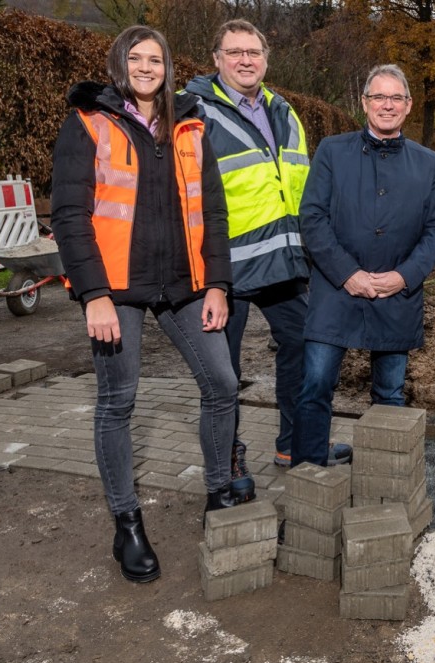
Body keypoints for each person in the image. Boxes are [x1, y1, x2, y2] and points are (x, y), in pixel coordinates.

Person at [50, 26, 237, 583]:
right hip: (116, 289)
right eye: (136, 58)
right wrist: (94, 295)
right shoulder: (88, 122)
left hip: (184, 284)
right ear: (119, 63)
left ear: (169, 66)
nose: (147, 67)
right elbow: (69, 216)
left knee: (223, 385)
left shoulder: (190, 124)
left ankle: (219, 498)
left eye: (156, 58)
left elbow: (216, 214)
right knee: (119, 401)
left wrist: (219, 286)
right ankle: (126, 523)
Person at [293, 64, 435, 467]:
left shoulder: (428, 163)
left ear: (409, 106)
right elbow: (312, 217)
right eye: (378, 96)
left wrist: (404, 277)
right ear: (364, 103)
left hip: (397, 296)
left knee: (390, 393)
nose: (387, 105)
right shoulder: (331, 150)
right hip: (335, 290)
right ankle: (309, 476)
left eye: (395, 97)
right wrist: (348, 274)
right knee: (314, 386)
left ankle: (384, 480)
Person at [185, 20, 310, 482]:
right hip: (225, 268)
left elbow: (300, 186)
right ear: (216, 59)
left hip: (283, 262)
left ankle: (293, 444)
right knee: (225, 373)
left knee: (305, 346)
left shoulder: (284, 111)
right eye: (234, 52)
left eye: (253, 52)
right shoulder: (194, 112)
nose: (245, 60)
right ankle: (228, 460)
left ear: (266, 59)